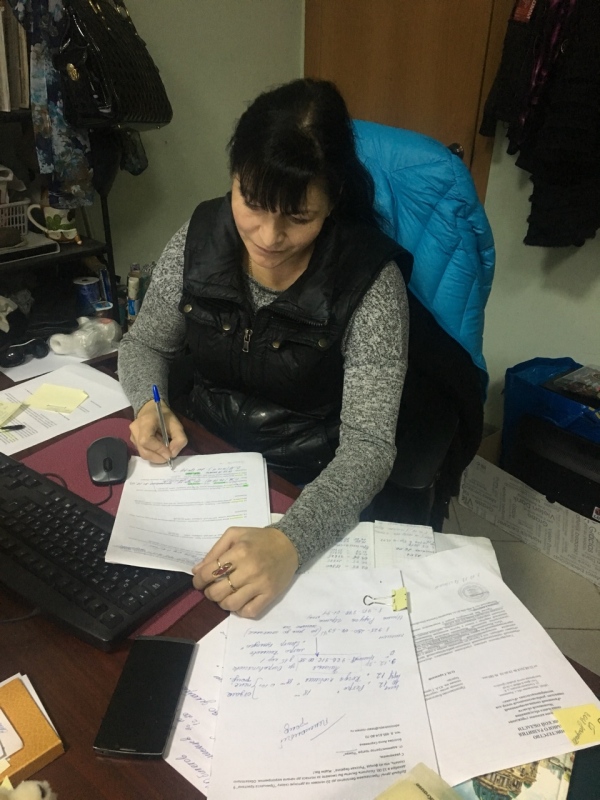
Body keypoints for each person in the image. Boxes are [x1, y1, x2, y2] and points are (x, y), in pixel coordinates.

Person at [118, 78, 412, 618]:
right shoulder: (198, 238)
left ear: (332, 202)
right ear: (233, 178)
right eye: (252, 204)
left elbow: (369, 446)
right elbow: (145, 344)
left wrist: (289, 541)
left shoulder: (370, 283)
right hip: (198, 463)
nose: (269, 237)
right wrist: (148, 403)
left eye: (299, 217)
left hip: (302, 485)